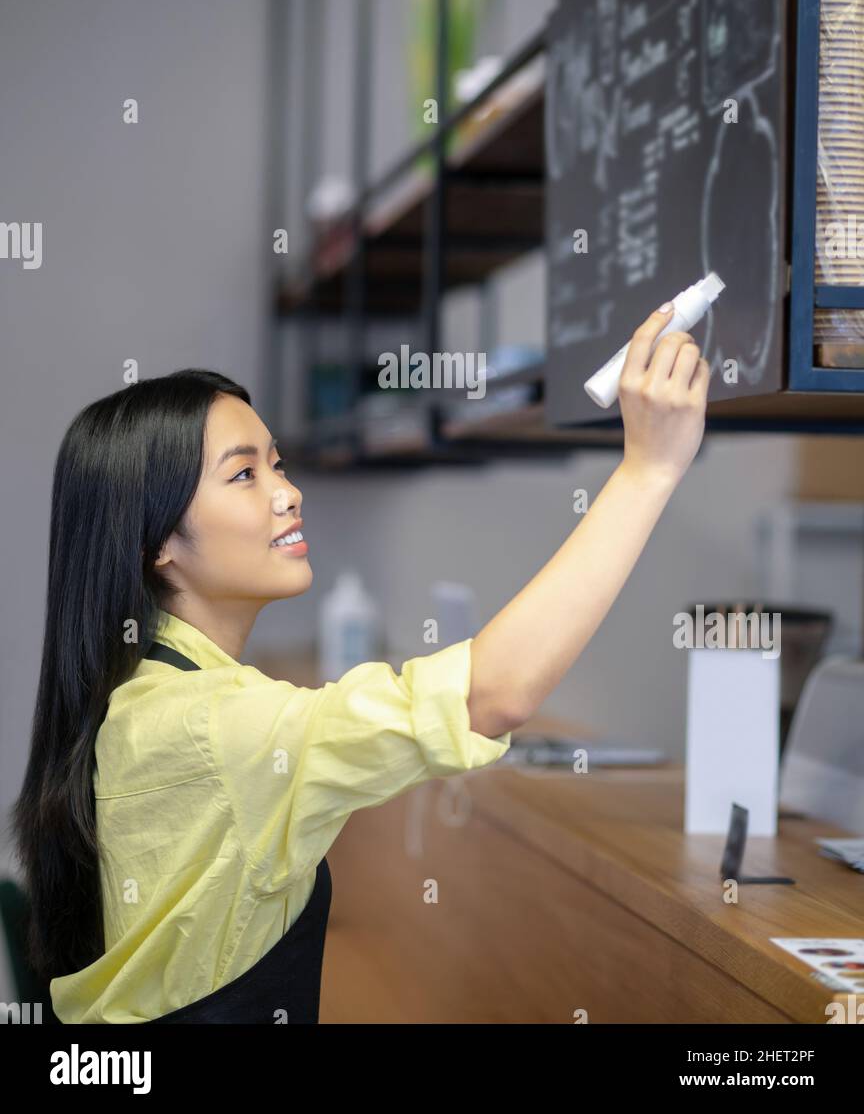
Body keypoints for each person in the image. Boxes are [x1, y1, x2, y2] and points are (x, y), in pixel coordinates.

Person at [9, 306, 709, 1023]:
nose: (288, 493)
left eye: (276, 463)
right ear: (159, 541)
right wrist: (648, 470)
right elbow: (491, 693)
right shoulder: (211, 727)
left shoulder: (151, 697)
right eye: (244, 475)